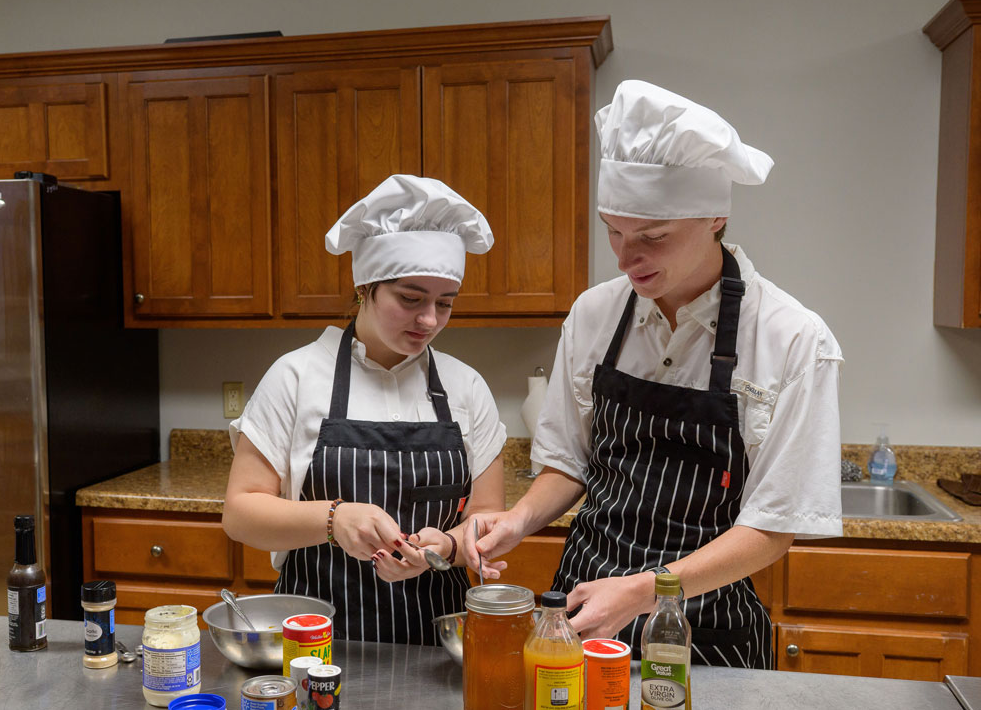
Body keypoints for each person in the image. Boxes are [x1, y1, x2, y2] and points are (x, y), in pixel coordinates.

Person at [466, 81, 843, 668]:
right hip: (586, 602)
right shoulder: (594, 313)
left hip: (707, 625)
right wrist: (519, 519)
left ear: (716, 217)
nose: (624, 257)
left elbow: (772, 527)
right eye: (613, 230)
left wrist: (644, 591)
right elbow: (568, 462)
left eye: (652, 237)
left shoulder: (791, 339)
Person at [223, 174, 507, 645]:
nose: (429, 320)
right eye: (410, 299)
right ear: (365, 288)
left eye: (445, 303)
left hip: (437, 642)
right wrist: (334, 519)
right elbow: (240, 514)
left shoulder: (466, 387)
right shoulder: (295, 377)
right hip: (318, 638)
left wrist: (451, 546)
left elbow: (486, 518)